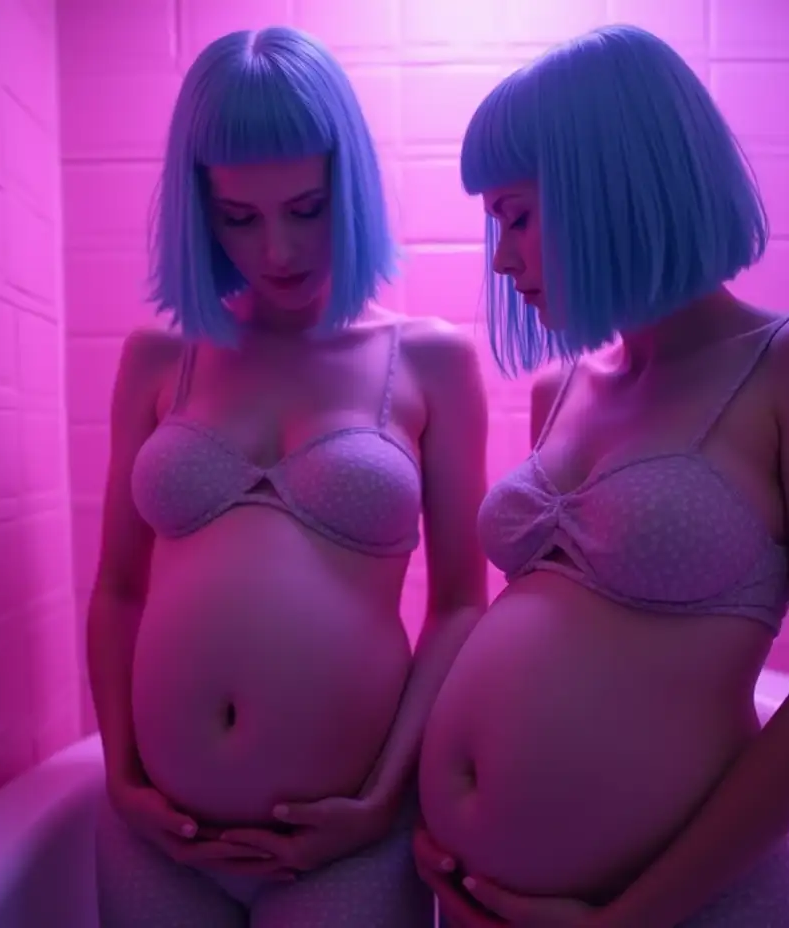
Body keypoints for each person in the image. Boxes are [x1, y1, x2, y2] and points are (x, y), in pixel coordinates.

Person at [414, 24, 789, 928]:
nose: (504, 258)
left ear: (609, 188)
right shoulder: (561, 390)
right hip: (480, 897)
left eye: (518, 215)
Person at [86, 26, 489, 927]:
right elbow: (118, 589)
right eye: (239, 217)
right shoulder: (160, 358)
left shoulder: (427, 361)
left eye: (306, 207)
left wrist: (387, 796)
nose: (277, 249)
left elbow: (462, 601)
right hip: (163, 837)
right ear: (202, 211)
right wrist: (119, 776)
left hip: (348, 838)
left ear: (349, 188)